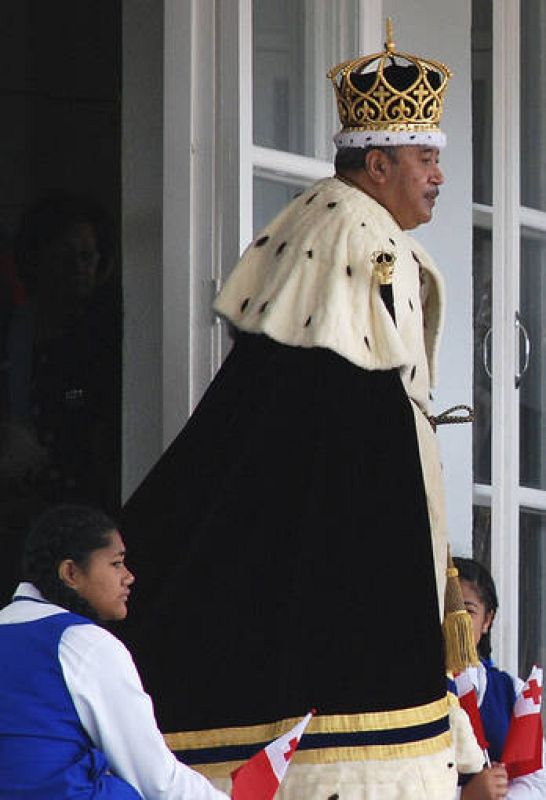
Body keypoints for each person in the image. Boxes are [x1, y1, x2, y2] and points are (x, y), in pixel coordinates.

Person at [119, 22, 481, 799]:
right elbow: (347, 435)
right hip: (349, 588)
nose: (439, 177)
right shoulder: (354, 239)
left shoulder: (344, 223)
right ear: (377, 164)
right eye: (426, 159)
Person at [0, 504, 230, 800]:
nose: (129, 576)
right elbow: (156, 781)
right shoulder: (84, 642)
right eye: (116, 563)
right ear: (70, 572)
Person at [454, 556, 546, 798]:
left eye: (468, 611)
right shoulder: (415, 697)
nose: (455, 622)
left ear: (487, 620)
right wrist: (464, 795)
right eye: (447, 611)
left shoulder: (511, 692)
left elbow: (539, 779)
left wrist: (501, 793)